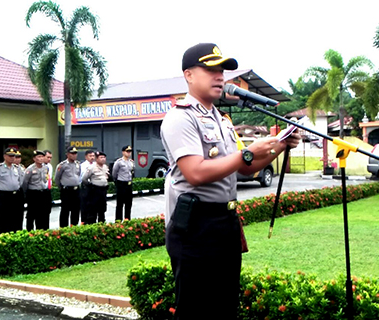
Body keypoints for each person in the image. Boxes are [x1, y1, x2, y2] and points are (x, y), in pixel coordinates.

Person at [160, 43, 301, 320]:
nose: (220, 76)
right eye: (211, 69)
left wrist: (281, 145)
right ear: (189, 75)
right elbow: (195, 172)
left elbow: (245, 169)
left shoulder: (222, 121)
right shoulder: (180, 117)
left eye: (222, 70)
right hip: (194, 227)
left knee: (224, 307)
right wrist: (247, 153)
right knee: (195, 310)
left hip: (224, 223)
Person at [0, 147, 25, 234]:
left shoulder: (17, 168)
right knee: (3, 219)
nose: (12, 158)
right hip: (4, 197)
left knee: (16, 218)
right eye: (10, 156)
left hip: (15, 196)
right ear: (5, 156)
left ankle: (16, 236)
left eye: (14, 156)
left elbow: (20, 181)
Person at [22, 150, 51, 230]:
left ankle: (42, 230)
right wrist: (26, 195)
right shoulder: (30, 169)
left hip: (43, 193)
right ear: (34, 159)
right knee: (32, 214)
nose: (41, 159)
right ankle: (30, 232)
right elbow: (25, 183)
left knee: (43, 213)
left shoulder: (46, 168)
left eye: (42, 157)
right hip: (33, 194)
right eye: (38, 157)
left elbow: (46, 179)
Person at [54, 146, 81, 227]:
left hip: (76, 190)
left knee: (75, 210)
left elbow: (78, 175)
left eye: (75, 153)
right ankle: (63, 228)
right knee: (65, 210)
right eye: (72, 153)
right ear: (68, 154)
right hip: (66, 190)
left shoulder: (78, 164)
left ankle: (74, 227)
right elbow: (57, 178)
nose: (74, 155)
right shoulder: (62, 165)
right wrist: (62, 187)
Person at [81, 151, 109, 224]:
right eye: (101, 157)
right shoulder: (92, 167)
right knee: (93, 210)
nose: (103, 159)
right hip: (95, 191)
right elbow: (84, 179)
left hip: (103, 191)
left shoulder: (105, 167)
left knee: (102, 209)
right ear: (97, 159)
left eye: (104, 157)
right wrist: (90, 186)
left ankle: (102, 224)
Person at [112, 145, 134, 221]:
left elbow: (132, 172)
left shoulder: (131, 162)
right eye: (127, 151)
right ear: (123, 152)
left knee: (129, 204)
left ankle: (127, 219)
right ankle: (118, 220)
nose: (129, 153)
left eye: (130, 151)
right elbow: (114, 174)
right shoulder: (119, 162)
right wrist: (117, 182)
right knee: (120, 204)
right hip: (121, 184)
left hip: (129, 184)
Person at [80, 150, 96, 223]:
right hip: (86, 187)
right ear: (86, 157)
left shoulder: (96, 164)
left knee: (93, 206)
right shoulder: (83, 165)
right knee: (85, 206)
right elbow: (81, 177)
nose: (92, 157)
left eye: (93, 156)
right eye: (90, 156)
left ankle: (92, 221)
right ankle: (84, 221)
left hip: (94, 187)